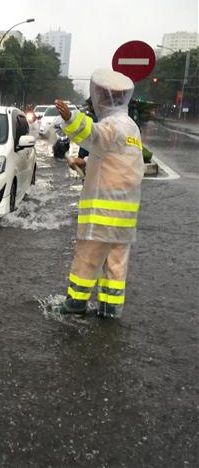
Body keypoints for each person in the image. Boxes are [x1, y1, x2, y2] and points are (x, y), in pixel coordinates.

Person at [53, 68, 144, 319]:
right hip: (125, 215)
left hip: (103, 212)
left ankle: (76, 304)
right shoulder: (131, 127)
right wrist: (86, 163)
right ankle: (109, 309)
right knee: (115, 264)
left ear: (103, 97)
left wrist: (72, 119)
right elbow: (117, 162)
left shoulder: (111, 125)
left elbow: (94, 136)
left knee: (87, 259)